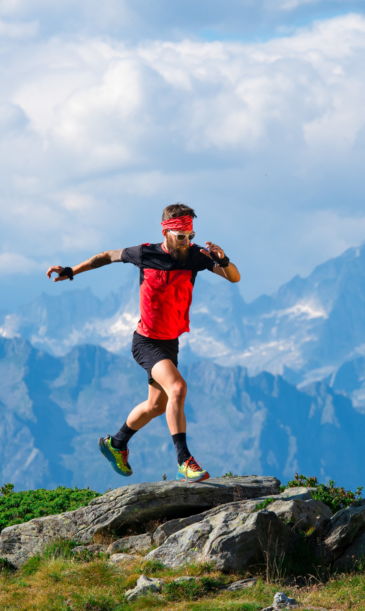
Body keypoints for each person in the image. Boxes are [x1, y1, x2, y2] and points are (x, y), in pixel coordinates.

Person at [46, 203, 240, 482]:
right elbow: (105, 257)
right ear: (166, 232)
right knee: (177, 387)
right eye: (181, 236)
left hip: (170, 343)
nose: (187, 242)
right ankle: (184, 460)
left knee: (157, 406)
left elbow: (234, 277)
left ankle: (116, 443)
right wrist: (72, 270)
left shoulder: (196, 256)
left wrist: (222, 259)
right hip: (146, 342)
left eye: (191, 235)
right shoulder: (145, 253)